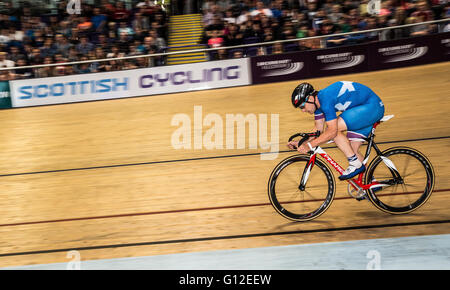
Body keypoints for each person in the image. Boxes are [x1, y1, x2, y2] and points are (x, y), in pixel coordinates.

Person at [288, 81, 385, 180]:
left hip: (371, 107)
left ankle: (355, 164)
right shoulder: (318, 105)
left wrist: (309, 146)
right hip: (362, 111)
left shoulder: (325, 99)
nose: (303, 110)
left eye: (302, 106)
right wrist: (301, 142)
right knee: (351, 150)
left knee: (333, 130)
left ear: (310, 98)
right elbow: (317, 131)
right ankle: (370, 182)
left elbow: (332, 131)